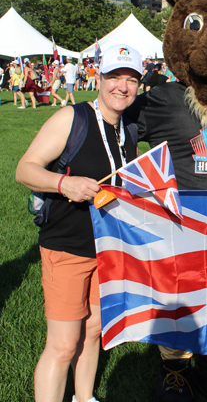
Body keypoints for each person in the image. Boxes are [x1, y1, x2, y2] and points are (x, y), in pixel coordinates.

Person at [15, 44, 142, 402]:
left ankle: (83, 398)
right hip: (66, 246)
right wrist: (63, 183)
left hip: (108, 249)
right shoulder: (73, 118)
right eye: (115, 77)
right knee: (63, 344)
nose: (123, 86)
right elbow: (24, 169)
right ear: (99, 79)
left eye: (131, 79)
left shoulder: (128, 131)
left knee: (93, 331)